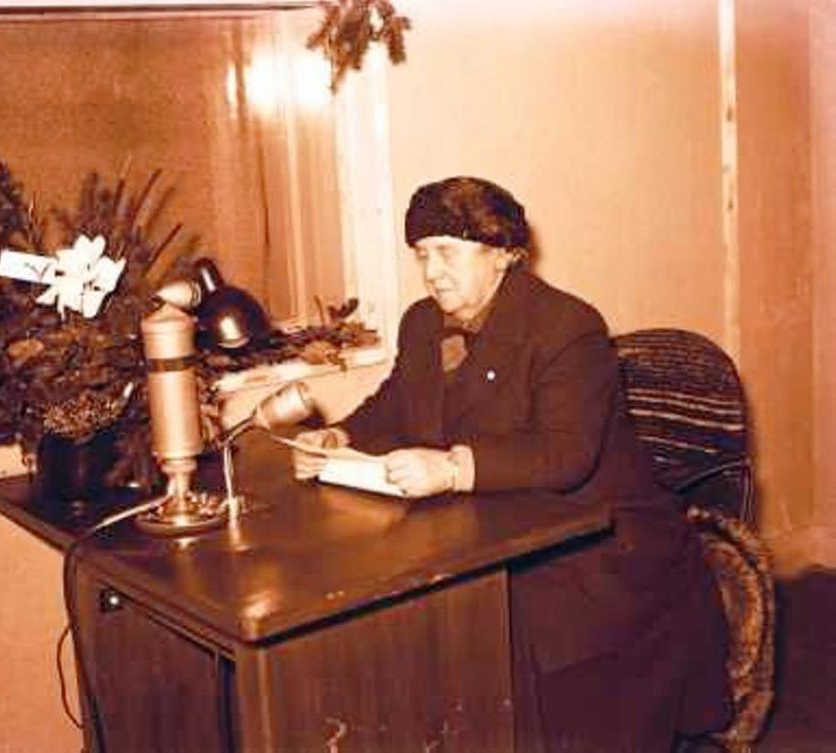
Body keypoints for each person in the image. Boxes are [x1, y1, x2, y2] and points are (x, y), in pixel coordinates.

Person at [291, 176, 731, 752]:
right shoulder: (422, 322)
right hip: (495, 521)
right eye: (421, 254)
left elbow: (566, 454)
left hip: (599, 540)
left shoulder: (567, 326)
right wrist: (341, 433)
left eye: (447, 252)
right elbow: (397, 401)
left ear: (501, 253)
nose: (431, 272)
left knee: (492, 632)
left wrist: (452, 468)